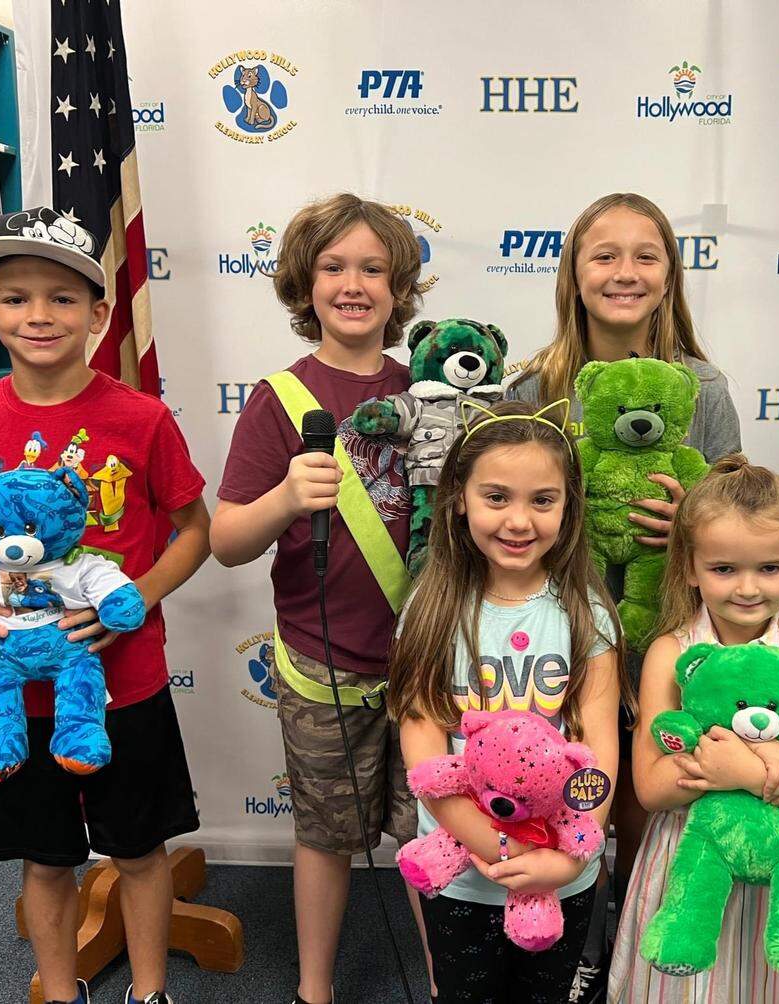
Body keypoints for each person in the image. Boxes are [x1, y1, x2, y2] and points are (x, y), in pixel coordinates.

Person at [0, 207, 211, 1004]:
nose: (39, 316)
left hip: (124, 681)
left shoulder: (142, 418)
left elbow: (197, 530)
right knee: (46, 858)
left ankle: (148, 991)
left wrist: (136, 598)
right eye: (15, 298)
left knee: (139, 849)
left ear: (98, 314)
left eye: (61, 298)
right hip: (14, 695)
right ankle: (61, 990)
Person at [506, 192, 741, 999]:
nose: (625, 272)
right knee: (559, 796)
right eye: (604, 254)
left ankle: (624, 955)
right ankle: (557, 951)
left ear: (671, 274)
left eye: (646, 255)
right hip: (553, 639)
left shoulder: (703, 389)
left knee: (638, 804)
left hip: (656, 636)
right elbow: (495, 510)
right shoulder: (533, 387)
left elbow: (740, 532)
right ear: (573, 272)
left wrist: (695, 522)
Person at [210, 193, 431, 1004]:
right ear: (305, 286)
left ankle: (446, 981)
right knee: (325, 838)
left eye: (373, 268)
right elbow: (227, 539)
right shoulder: (280, 398)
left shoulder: (431, 393)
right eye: (333, 267)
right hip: (320, 668)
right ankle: (313, 989)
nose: (353, 284)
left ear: (400, 288)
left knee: (430, 837)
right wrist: (282, 501)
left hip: (424, 665)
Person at [389, 400, 632, 1003]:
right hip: (461, 876)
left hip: (561, 878)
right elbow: (423, 752)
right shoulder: (432, 611)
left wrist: (574, 854)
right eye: (496, 497)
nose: (519, 520)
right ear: (458, 500)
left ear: (568, 507)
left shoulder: (588, 616)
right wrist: (492, 843)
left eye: (542, 500)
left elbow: (599, 748)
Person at [609, 455, 779, 1003]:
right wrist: (761, 768)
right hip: (691, 867)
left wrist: (735, 768)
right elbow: (650, 787)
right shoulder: (672, 654)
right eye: (724, 569)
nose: (747, 588)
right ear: (690, 568)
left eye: (769, 568)